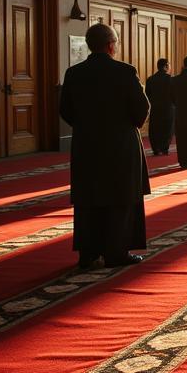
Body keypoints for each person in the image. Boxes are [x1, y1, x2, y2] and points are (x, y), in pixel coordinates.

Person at [60, 22, 150, 269]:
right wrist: (129, 126)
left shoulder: (73, 73)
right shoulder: (125, 71)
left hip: (86, 145)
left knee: (88, 198)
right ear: (111, 45)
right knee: (121, 197)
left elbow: (65, 110)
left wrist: (86, 127)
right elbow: (142, 108)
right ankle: (116, 252)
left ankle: (88, 253)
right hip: (120, 144)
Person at [144, 57, 174, 156]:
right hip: (168, 108)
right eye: (169, 65)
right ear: (166, 66)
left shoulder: (150, 79)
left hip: (155, 108)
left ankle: (156, 149)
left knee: (155, 128)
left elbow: (147, 95)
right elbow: (174, 94)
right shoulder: (170, 79)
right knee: (167, 128)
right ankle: (164, 148)